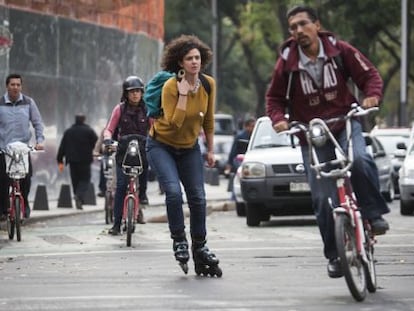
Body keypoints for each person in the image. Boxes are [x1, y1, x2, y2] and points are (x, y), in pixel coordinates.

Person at [266, 5, 390, 279]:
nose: (298, 31)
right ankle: (334, 255)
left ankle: (373, 213)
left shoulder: (340, 51)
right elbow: (274, 99)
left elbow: (370, 76)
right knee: (323, 198)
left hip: (346, 121)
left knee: (359, 159)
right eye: (293, 27)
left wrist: (371, 97)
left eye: (303, 24)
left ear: (317, 26)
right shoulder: (287, 63)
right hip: (312, 132)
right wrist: (278, 119)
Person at [146, 34, 222, 276]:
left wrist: (210, 149)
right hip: (162, 146)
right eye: (189, 58)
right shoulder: (170, 87)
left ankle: (200, 245)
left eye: (197, 58)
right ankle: (179, 239)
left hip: (189, 148)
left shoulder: (208, 84)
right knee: (173, 192)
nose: (194, 62)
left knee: (198, 197)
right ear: (180, 63)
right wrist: (182, 95)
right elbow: (176, 122)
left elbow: (208, 120)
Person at [104, 75, 150, 235]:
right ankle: (116, 224)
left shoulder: (148, 109)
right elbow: (109, 129)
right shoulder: (119, 109)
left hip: (142, 150)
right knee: (121, 187)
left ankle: (143, 194)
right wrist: (108, 139)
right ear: (126, 93)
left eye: (138, 91)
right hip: (123, 152)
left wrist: (155, 140)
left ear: (142, 93)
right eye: (132, 92)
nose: (135, 94)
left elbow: (154, 129)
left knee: (146, 166)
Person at [0, 73, 45, 220]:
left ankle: (24, 204)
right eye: (12, 85)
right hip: (4, 149)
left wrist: (39, 141)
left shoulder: (28, 103)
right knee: (2, 179)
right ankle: (3, 208)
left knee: (26, 177)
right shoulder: (0, 103)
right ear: (7, 86)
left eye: (18, 85)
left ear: (21, 86)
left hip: (23, 148)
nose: (15, 87)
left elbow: (37, 123)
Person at [57, 114, 98, 210]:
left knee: (75, 180)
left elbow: (62, 146)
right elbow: (96, 143)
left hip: (72, 161)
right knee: (85, 179)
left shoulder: (68, 132)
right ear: (84, 120)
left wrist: (59, 160)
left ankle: (77, 196)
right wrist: (98, 153)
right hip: (85, 160)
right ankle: (79, 196)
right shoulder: (89, 131)